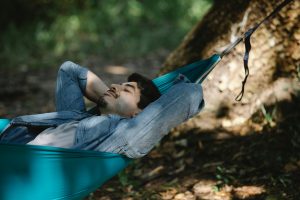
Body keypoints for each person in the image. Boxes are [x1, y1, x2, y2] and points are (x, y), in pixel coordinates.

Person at [0, 61, 204, 158]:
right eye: (118, 85)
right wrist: (113, 96)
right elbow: (69, 71)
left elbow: (188, 94)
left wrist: (116, 103)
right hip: (9, 143)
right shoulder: (76, 117)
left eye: (128, 90)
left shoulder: (122, 135)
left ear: (140, 113)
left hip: (15, 164)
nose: (115, 86)